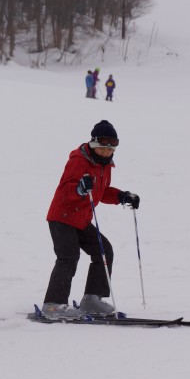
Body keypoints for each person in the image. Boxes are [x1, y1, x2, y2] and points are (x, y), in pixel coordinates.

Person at [42, 120, 140, 319]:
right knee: (68, 257)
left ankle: (91, 299)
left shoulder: (105, 165)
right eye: (103, 147)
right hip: (63, 216)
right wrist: (79, 187)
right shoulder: (79, 160)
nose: (107, 151)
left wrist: (122, 196)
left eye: (111, 148)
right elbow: (66, 189)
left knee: (104, 251)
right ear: (94, 144)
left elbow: (101, 192)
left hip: (81, 219)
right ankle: (53, 305)